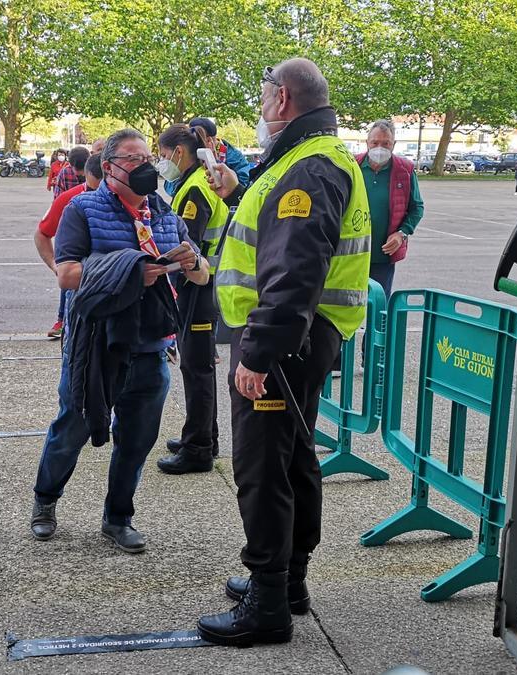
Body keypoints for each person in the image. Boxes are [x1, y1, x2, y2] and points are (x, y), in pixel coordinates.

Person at [197, 58, 370, 646]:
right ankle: (287, 583)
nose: (260, 107)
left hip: (282, 339)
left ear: (282, 98)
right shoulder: (307, 158)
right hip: (299, 337)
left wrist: (260, 352)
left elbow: (295, 268)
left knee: (263, 467)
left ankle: (268, 602)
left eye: (264, 94)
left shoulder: (310, 165)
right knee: (294, 459)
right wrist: (241, 191)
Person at [29, 129, 208, 554]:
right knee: (72, 427)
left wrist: (193, 261)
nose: (144, 165)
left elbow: (200, 274)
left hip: (151, 346)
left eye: (148, 157)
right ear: (108, 167)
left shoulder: (164, 214)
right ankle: (45, 500)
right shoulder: (82, 209)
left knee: (137, 440)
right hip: (95, 346)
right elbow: (67, 274)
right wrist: (130, 269)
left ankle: (118, 518)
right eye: (132, 158)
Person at [152, 124, 228, 474]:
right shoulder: (196, 182)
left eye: (163, 155)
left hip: (199, 286)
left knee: (196, 367)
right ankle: (203, 436)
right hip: (202, 285)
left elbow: (188, 246)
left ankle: (197, 449)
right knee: (198, 365)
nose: (161, 161)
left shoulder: (195, 189)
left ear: (178, 153)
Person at [36, 155, 104, 338]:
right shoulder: (70, 199)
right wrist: (55, 265)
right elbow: (41, 233)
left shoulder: (133, 199)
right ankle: (62, 321)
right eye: (93, 189)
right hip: (79, 292)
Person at [357, 120, 424, 298]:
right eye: (375, 143)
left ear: (393, 144)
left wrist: (402, 233)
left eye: (386, 143)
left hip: (383, 255)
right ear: (367, 143)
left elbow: (417, 207)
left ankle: (376, 327)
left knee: (379, 304)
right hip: (352, 254)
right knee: (348, 304)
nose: (380, 147)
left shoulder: (405, 170)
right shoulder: (352, 165)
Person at [165, 117, 253, 196]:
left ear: (208, 140)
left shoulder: (235, 158)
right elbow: (171, 187)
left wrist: (215, 168)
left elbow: (242, 189)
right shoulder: (190, 154)